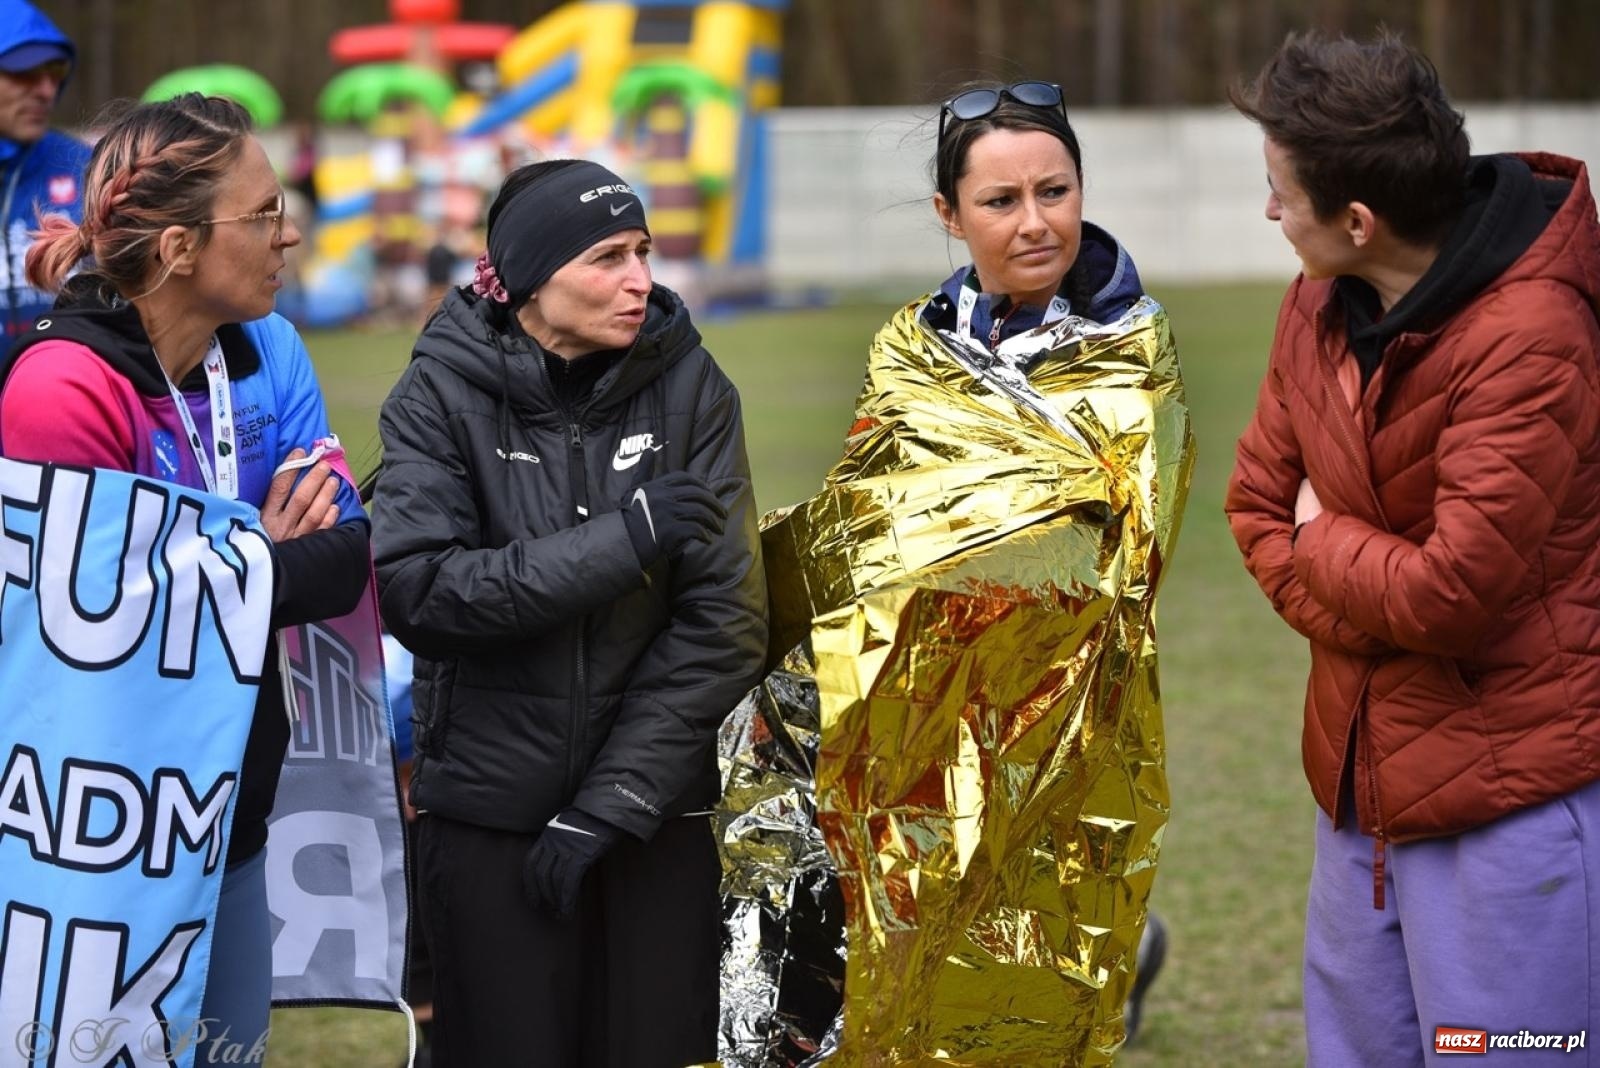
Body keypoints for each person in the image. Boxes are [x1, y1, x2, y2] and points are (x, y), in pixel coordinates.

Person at [1227, 32, 1600, 1066]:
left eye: (1277, 192)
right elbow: (1256, 505)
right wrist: (1370, 599)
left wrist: (1324, 538)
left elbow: (1450, 597)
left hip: (1507, 811)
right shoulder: (1315, 298)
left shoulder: (1534, 334)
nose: (1268, 213)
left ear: (1357, 219)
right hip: (1357, 799)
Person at [369, 158, 768, 1067]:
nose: (640, 280)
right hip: (487, 824)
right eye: (605, 259)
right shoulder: (437, 392)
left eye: (643, 251)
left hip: (650, 823)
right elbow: (421, 592)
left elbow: (724, 621)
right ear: (528, 280)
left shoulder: (693, 385)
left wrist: (611, 803)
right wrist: (625, 540)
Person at [0, 93, 370, 1062]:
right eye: (262, 216)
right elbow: (100, 628)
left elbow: (340, 557)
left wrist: (207, 563)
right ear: (174, 250)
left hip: (229, 826)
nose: (289, 236)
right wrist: (261, 547)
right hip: (94, 844)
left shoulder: (270, 347)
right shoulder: (60, 386)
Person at [925, 79, 1172, 1045]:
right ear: (950, 215)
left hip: (1067, 696)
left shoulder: (1126, 341)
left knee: (1039, 971)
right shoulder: (923, 339)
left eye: (1056, 191)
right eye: (1000, 201)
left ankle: (1128, 953)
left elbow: (1103, 542)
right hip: (932, 691)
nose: (1037, 223)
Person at [1, 0, 91, 340]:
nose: (46, 91)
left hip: (65, 387)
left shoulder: (86, 167)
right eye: (23, 72)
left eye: (55, 73)